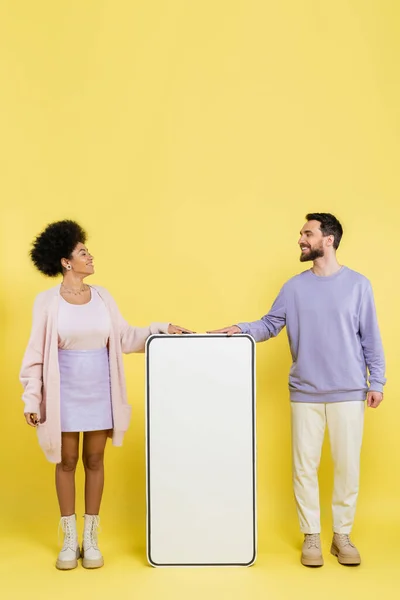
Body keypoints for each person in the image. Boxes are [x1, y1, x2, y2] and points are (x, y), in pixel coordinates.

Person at [209, 213, 386, 567]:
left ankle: (342, 535)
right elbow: (270, 323)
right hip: (305, 391)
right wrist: (241, 329)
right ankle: (311, 537)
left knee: (347, 467)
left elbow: (371, 338)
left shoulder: (358, 285)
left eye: (308, 233)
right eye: (302, 234)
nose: (301, 239)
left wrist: (377, 381)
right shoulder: (294, 288)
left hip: (349, 391)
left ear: (329, 239)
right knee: (304, 467)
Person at [20, 219, 192, 571]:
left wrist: (161, 329)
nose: (90, 256)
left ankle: (91, 538)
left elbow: (125, 337)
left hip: (99, 390)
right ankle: (69, 540)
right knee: (66, 461)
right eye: (83, 252)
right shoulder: (47, 302)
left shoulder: (102, 297)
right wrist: (31, 398)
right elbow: (35, 354)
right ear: (66, 262)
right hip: (63, 391)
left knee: (95, 461)